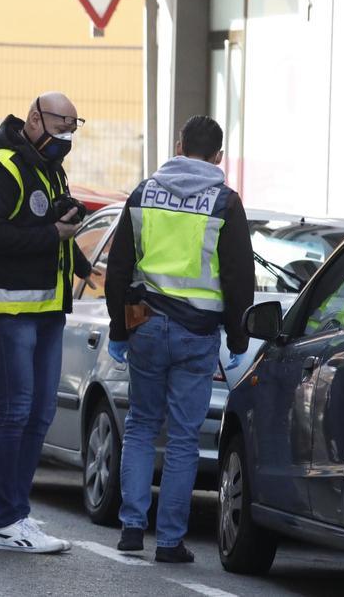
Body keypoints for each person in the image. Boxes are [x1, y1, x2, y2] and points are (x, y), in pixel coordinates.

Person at [104, 115, 254, 563]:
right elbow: (238, 276)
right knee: (185, 438)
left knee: (141, 426)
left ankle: (132, 528)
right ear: (218, 157)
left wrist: (118, 328)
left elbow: (117, 269)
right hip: (197, 333)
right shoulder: (225, 203)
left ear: (178, 145)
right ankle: (169, 541)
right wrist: (239, 333)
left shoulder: (143, 192)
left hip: (146, 326)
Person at [0, 92, 92, 554]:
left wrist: (79, 260)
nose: (65, 137)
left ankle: (18, 513)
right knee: (17, 412)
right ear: (35, 118)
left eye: (73, 129)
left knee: (40, 414)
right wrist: (51, 234)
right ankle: (5, 522)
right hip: (8, 312)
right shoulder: (2, 167)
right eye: (60, 126)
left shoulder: (48, 167)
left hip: (45, 311)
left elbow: (50, 229)